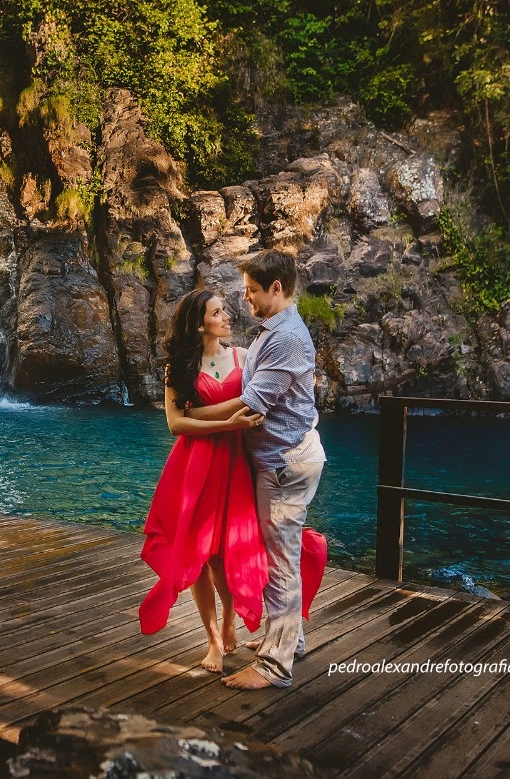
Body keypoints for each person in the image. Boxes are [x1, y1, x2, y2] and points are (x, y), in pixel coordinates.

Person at [183, 249, 327, 690]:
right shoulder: (273, 330)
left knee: (280, 564)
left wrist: (192, 415)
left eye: (251, 291)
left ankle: (273, 667)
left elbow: (251, 403)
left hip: (283, 464)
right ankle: (292, 640)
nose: (245, 299)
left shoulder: (286, 337)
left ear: (277, 289)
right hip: (282, 459)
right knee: (284, 556)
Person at [138, 289, 268, 673]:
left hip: (236, 463)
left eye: (225, 311)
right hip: (195, 465)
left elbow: (262, 398)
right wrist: (227, 422)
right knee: (199, 553)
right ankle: (212, 638)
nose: (227, 317)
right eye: (217, 312)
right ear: (200, 324)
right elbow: (176, 423)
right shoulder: (178, 367)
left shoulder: (243, 357)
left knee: (228, 552)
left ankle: (230, 619)